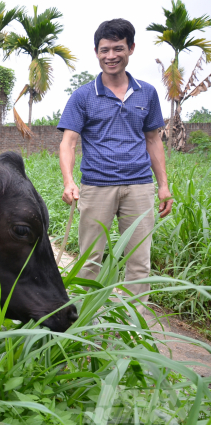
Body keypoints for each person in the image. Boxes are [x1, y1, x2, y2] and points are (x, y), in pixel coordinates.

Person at [57, 19, 173, 311]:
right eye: (104, 49)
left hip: (139, 187)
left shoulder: (146, 93)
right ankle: (86, 324)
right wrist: (69, 181)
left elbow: (153, 140)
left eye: (118, 48)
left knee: (138, 260)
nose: (111, 56)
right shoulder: (83, 95)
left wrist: (163, 186)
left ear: (131, 48)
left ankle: (136, 327)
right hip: (96, 188)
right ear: (96, 52)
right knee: (90, 259)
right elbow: (68, 142)